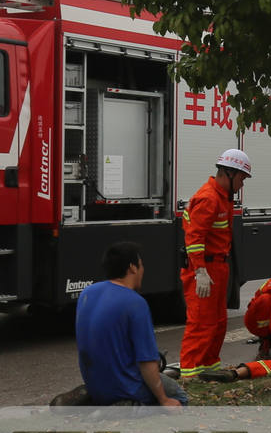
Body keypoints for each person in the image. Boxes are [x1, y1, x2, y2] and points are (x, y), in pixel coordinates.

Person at [76, 240, 187, 406]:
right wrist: (164, 399)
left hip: (96, 384)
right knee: (178, 397)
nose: (143, 270)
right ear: (132, 268)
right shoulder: (135, 302)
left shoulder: (88, 293)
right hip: (125, 386)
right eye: (141, 265)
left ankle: (90, 399)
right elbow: (146, 363)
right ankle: (129, 406)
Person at [178, 148, 253, 379]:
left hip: (218, 268)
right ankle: (190, 376)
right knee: (201, 322)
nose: (242, 184)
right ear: (229, 173)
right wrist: (200, 270)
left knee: (218, 322)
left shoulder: (223, 197)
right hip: (205, 268)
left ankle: (208, 369)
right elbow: (194, 237)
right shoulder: (209, 198)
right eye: (241, 178)